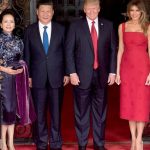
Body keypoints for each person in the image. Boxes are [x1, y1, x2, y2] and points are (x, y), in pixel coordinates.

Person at [65, 0, 117, 149]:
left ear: (99, 9)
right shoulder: (75, 26)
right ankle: (82, 144)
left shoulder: (108, 25)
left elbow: (113, 49)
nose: (92, 11)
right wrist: (72, 72)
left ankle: (99, 144)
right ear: (84, 9)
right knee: (81, 113)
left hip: (102, 75)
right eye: (89, 8)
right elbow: (69, 51)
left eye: (95, 8)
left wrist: (112, 71)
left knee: (100, 113)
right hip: (81, 76)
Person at [23, 0, 69, 150]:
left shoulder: (61, 29)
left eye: (48, 11)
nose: (45, 14)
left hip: (57, 77)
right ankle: (41, 142)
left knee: (56, 113)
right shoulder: (29, 30)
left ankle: (56, 143)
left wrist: (67, 72)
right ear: (37, 12)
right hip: (37, 78)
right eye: (42, 11)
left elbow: (67, 53)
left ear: (53, 12)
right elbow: (27, 55)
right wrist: (27, 76)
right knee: (39, 113)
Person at [115, 0, 150, 150]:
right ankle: (133, 138)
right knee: (129, 104)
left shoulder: (147, 27)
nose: (134, 13)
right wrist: (117, 72)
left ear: (142, 12)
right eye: (132, 11)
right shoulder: (122, 27)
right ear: (128, 12)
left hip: (143, 69)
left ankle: (139, 139)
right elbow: (120, 49)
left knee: (141, 105)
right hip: (127, 69)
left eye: (137, 10)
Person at [0, 9, 29, 150]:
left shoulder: (19, 41)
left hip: (15, 80)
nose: (8, 24)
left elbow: (22, 59)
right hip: (2, 79)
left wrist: (21, 68)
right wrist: (6, 70)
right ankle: (2, 142)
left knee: (12, 110)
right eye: (5, 21)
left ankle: (10, 142)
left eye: (11, 21)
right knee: (4, 110)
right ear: (0, 24)